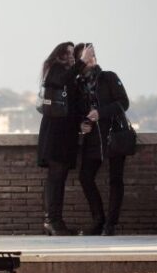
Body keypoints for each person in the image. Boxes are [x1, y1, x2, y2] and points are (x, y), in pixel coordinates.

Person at [74, 43, 130, 236]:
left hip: (114, 135)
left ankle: (110, 225)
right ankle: (99, 220)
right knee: (85, 177)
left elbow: (124, 103)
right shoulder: (77, 85)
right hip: (92, 139)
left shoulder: (109, 77)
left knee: (116, 180)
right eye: (87, 55)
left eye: (93, 54)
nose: (92, 58)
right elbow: (76, 111)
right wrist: (81, 124)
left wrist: (101, 112)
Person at [37, 42, 92, 236]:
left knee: (59, 180)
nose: (71, 56)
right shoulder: (55, 71)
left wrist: (81, 123)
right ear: (58, 55)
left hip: (65, 135)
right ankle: (52, 222)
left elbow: (73, 105)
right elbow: (62, 80)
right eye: (67, 53)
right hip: (55, 136)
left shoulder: (70, 75)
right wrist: (82, 61)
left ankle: (55, 222)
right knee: (55, 180)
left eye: (72, 53)